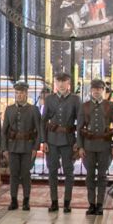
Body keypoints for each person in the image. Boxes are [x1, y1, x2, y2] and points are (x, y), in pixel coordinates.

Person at [77, 78, 113, 215]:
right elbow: (79, 128)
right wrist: (80, 147)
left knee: (102, 176)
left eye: (99, 89)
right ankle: (91, 204)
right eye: (94, 89)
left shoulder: (110, 106)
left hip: (104, 146)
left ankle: (100, 204)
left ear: (103, 90)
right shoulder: (85, 106)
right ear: (91, 90)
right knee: (89, 176)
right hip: (88, 147)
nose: (96, 91)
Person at [41, 73, 81, 213]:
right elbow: (43, 121)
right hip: (52, 140)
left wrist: (78, 142)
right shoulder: (49, 99)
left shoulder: (75, 99)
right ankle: (54, 202)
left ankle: (67, 202)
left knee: (69, 172)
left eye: (64, 81)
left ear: (69, 83)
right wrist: (44, 141)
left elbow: (80, 122)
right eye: (59, 81)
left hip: (68, 141)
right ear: (55, 83)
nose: (61, 84)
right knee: (52, 171)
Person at [1, 81, 39, 211]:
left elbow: (38, 130)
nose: (19, 95)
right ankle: (13, 200)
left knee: (25, 174)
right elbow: (4, 131)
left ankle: (26, 201)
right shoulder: (9, 109)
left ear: (26, 94)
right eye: (17, 93)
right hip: (12, 147)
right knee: (14, 174)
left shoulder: (33, 109)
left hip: (28, 147)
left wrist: (35, 148)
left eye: (21, 93)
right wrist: (4, 148)